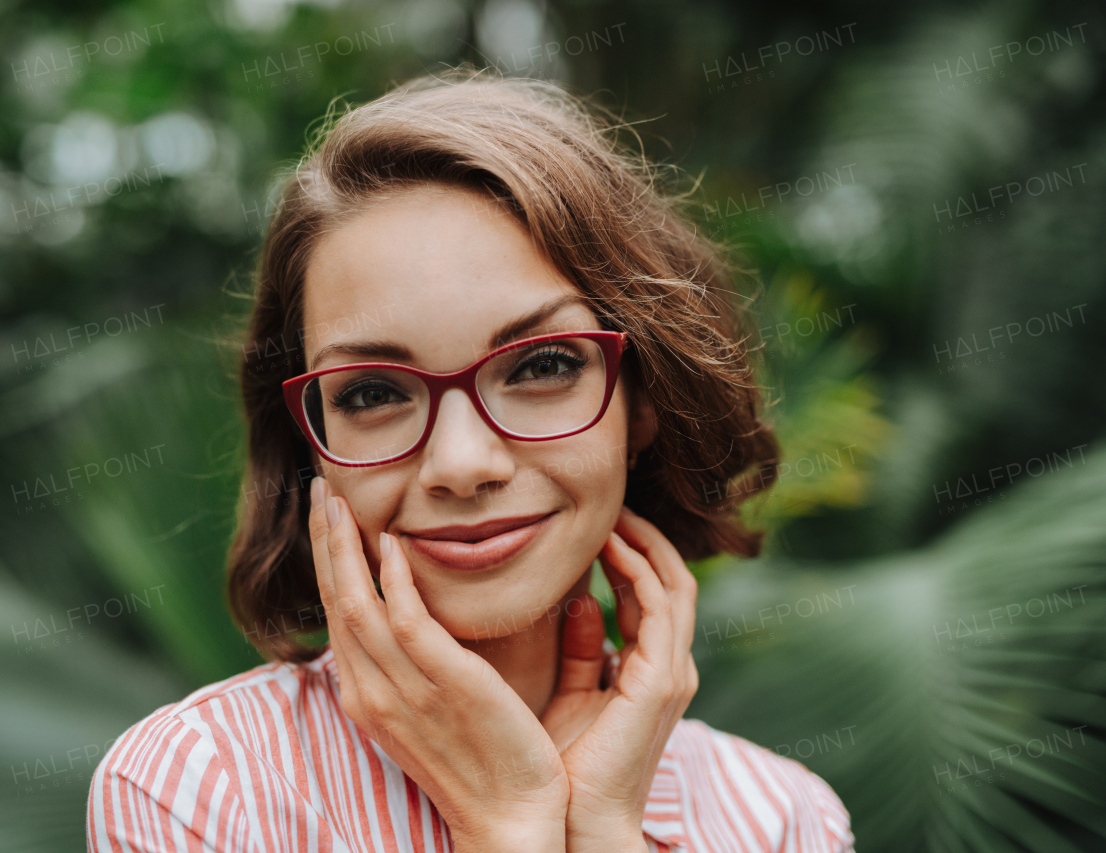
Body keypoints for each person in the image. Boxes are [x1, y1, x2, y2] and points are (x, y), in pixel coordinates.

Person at [87, 69, 855, 853]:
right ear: (312, 444)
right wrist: (510, 826)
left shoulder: (780, 819)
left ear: (644, 398)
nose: (461, 462)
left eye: (541, 365)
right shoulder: (200, 788)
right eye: (374, 391)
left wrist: (604, 831)